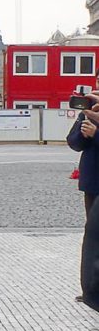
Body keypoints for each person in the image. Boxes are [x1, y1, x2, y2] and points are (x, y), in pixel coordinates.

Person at [70, 97, 99, 308]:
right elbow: (73, 142)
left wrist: (96, 135)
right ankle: (90, 287)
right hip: (92, 180)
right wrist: (84, 132)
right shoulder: (89, 111)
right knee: (93, 233)